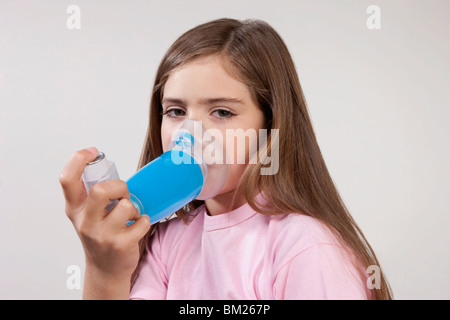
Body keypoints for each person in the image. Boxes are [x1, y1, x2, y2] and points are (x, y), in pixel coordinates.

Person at [59, 18, 392, 300]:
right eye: (175, 111)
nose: (190, 134)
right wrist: (105, 271)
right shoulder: (166, 243)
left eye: (221, 111)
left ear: (270, 126)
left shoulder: (304, 247)